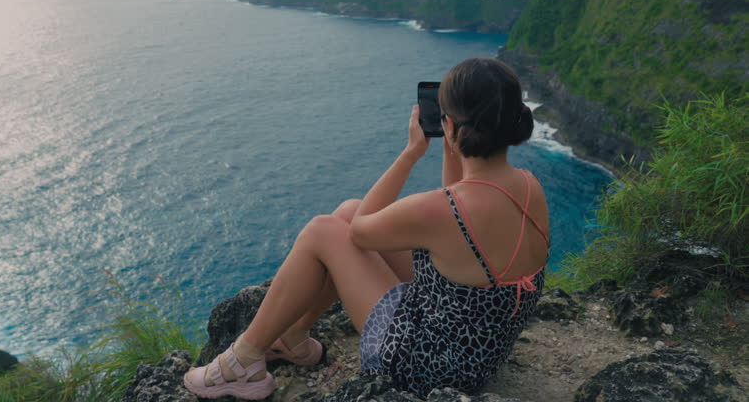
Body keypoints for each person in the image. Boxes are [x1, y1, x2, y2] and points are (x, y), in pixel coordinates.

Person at [183, 58, 550, 399]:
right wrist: (453, 145)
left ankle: (241, 361)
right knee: (349, 210)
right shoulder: (529, 187)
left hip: (425, 367)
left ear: (448, 125)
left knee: (323, 231)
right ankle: (294, 337)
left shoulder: (441, 211)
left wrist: (410, 153)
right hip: (475, 350)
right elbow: (455, 209)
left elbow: (361, 233)